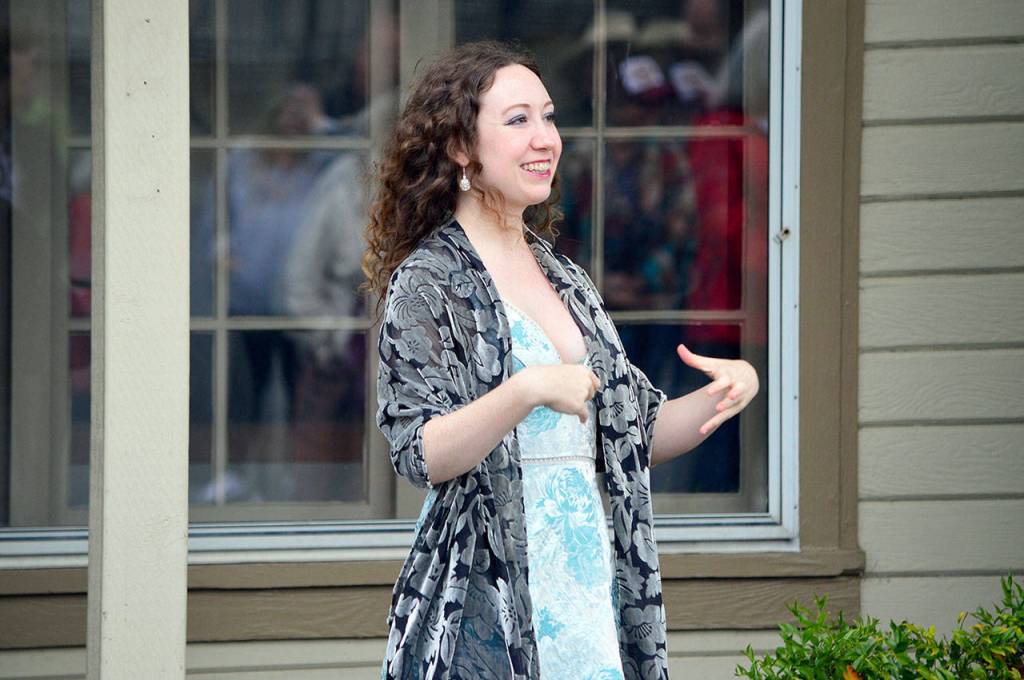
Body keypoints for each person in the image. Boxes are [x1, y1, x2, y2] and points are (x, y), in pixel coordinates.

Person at [363, 41, 759, 680]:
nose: (545, 137)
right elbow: (419, 452)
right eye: (518, 120)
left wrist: (729, 391)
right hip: (489, 597)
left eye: (548, 117)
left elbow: (634, 434)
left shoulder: (564, 276)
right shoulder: (427, 281)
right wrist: (526, 390)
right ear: (460, 147)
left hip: (587, 591)